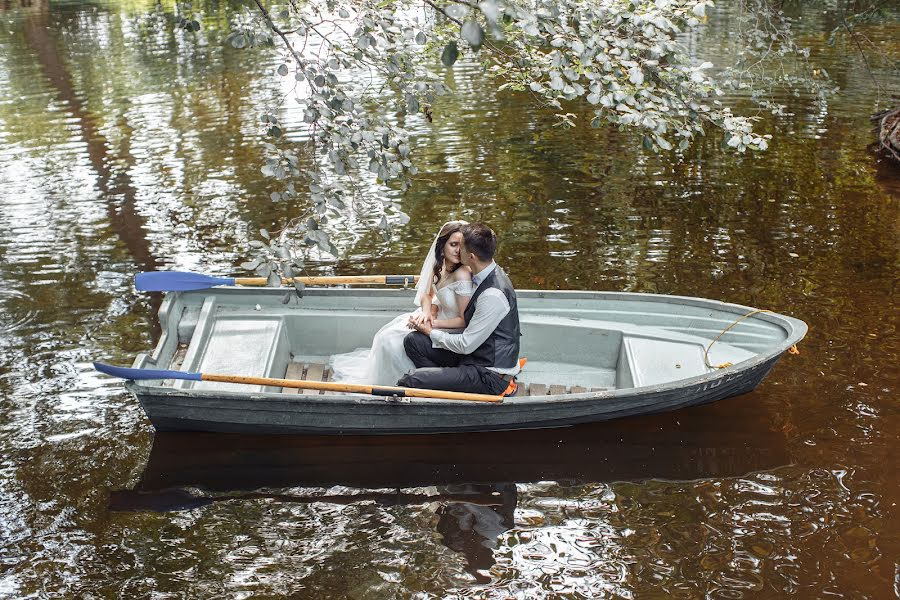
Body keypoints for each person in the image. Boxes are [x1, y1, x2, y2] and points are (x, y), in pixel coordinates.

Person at [329, 221, 475, 386]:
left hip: (453, 328)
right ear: (442, 245)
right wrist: (427, 312)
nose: (457, 250)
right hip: (437, 317)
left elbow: (464, 320)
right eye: (453, 244)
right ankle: (391, 383)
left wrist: (431, 324)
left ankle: (421, 384)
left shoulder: (463, 275)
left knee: (393, 342)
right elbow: (427, 295)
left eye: (461, 245)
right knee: (385, 337)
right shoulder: (440, 265)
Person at [398, 222, 521, 396]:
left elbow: (465, 345)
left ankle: (440, 384)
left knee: (411, 380)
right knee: (413, 342)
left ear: (471, 256)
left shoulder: (492, 295)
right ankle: (444, 386)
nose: (457, 251)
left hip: (489, 374)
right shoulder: (486, 271)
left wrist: (429, 331)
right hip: (475, 355)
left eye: (460, 247)